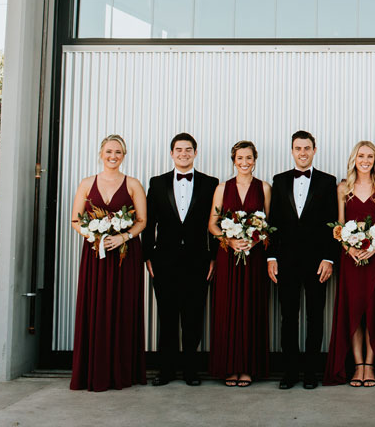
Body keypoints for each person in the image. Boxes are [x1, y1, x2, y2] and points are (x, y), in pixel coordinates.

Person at [70, 134, 147, 391]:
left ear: (124, 156)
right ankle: (94, 370)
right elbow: (75, 220)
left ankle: (122, 371)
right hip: (96, 255)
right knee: (96, 307)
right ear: (101, 154)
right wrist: (95, 236)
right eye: (109, 152)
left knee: (123, 308)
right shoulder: (86, 183)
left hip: (125, 256)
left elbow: (142, 221)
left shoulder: (133, 184)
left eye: (118, 152)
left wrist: (123, 237)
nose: (113, 156)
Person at [142, 132, 219, 387]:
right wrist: (147, 255)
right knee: (167, 317)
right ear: (172, 153)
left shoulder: (210, 183)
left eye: (188, 150)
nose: (183, 154)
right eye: (179, 150)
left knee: (193, 317)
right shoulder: (157, 183)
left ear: (195, 153)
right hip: (164, 261)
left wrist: (214, 258)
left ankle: (190, 370)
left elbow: (215, 223)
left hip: (198, 261)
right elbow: (149, 222)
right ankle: (166, 370)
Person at [268, 130, 338, 390]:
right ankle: (290, 372)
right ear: (292, 151)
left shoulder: (327, 181)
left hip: (317, 261)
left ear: (314, 150)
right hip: (286, 261)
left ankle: (310, 372)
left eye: (307, 148)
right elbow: (273, 222)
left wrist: (329, 258)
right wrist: (271, 257)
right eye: (298, 148)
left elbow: (333, 223)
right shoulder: (279, 180)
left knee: (315, 316)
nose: (303, 152)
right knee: (288, 317)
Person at [324, 141, 375, 387]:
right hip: (351, 259)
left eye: (370, 156)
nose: (365, 160)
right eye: (361, 156)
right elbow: (339, 224)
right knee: (354, 312)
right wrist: (349, 248)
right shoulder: (343, 188)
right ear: (354, 159)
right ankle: (357, 366)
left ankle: (370, 365)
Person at [208, 140, 271, 387]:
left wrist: (255, 241)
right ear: (233, 160)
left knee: (251, 308)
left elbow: (270, 225)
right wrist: (229, 240)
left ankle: (247, 367)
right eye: (240, 158)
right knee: (228, 308)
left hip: (254, 258)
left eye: (249, 158)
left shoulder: (264, 188)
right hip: (228, 256)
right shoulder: (222, 188)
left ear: (255, 160)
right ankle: (229, 367)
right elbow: (212, 224)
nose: (244, 162)